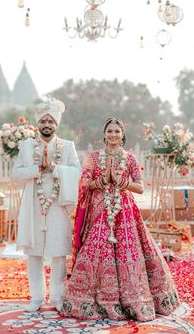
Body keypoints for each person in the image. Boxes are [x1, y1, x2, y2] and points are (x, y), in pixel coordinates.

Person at [61, 117, 180, 321]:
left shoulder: (130, 158)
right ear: (104, 134)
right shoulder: (93, 157)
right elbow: (85, 183)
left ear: (122, 135)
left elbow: (140, 187)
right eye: (110, 131)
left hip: (125, 214)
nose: (113, 134)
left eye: (117, 131)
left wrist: (122, 181)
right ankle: (92, 301)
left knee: (129, 255)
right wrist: (102, 181)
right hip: (99, 213)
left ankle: (134, 301)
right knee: (95, 253)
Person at [12, 97, 81, 312]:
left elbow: (77, 171)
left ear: (56, 124)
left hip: (58, 203)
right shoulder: (25, 147)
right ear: (38, 123)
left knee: (59, 252)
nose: (47, 125)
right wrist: (37, 170)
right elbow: (15, 174)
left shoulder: (68, 147)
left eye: (51, 121)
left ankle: (58, 298)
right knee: (35, 253)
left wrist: (54, 168)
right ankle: (37, 297)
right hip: (34, 204)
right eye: (43, 121)